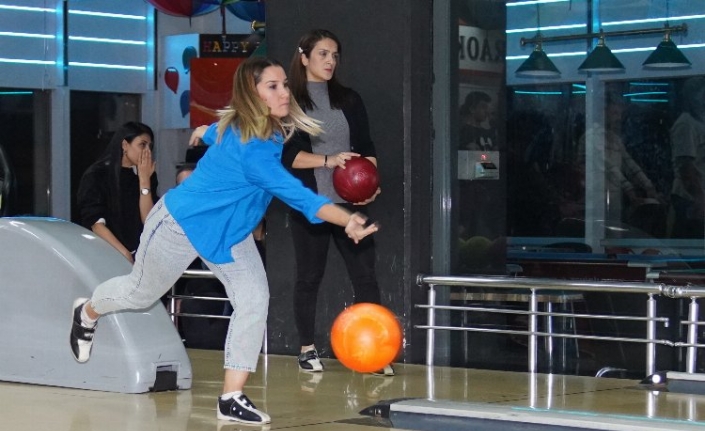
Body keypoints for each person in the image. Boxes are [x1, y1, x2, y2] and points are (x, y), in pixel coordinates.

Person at [68, 56, 378, 425]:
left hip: (230, 234)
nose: (284, 93)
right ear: (254, 94)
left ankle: (231, 397)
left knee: (254, 298)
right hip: (181, 225)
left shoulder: (259, 129)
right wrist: (347, 218)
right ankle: (87, 311)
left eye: (284, 84)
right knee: (140, 294)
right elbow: (300, 198)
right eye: (273, 86)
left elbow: (220, 129)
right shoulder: (255, 153)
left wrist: (204, 131)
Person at [282, 29, 392, 376]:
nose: (330, 61)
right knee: (309, 277)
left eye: (334, 55)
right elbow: (287, 157)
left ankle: (374, 351)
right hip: (311, 205)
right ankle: (307, 348)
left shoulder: (349, 99)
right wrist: (328, 160)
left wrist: (370, 186)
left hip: (350, 206)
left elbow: (366, 147)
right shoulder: (291, 102)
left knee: (365, 276)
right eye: (323, 54)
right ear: (304, 58)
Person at [76, 121, 157, 264]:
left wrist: (144, 182)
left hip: (141, 254)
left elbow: (149, 219)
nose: (147, 151)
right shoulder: (97, 174)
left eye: (150, 146)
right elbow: (95, 223)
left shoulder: (146, 174)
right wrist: (124, 253)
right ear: (125, 145)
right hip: (105, 254)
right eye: (142, 145)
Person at [670, 76, 705, 238]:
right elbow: (686, 167)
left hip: (698, 197)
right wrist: (699, 198)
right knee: (688, 249)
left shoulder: (700, 122)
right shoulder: (686, 124)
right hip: (689, 199)